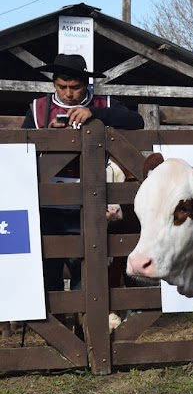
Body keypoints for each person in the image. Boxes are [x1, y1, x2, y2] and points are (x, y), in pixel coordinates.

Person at [23, 53, 144, 293]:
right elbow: (23, 150)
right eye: (62, 86)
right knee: (49, 264)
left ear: (86, 85)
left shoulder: (104, 104)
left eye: (75, 87)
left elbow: (136, 121)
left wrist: (95, 115)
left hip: (91, 197)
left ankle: (83, 326)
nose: (68, 93)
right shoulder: (38, 109)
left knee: (88, 266)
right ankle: (58, 323)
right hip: (48, 200)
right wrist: (48, 136)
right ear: (54, 84)